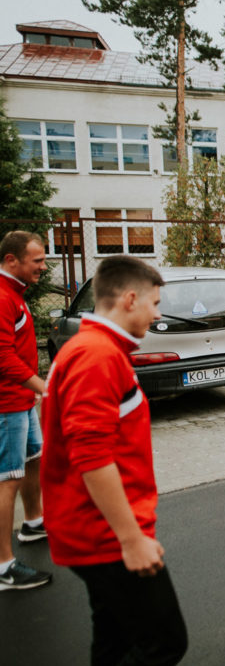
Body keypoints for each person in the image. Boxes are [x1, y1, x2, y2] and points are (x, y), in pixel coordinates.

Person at [41, 255, 188, 663]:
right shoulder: (96, 356)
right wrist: (131, 539)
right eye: (155, 304)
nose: (157, 315)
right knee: (165, 642)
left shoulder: (93, 349)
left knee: (115, 642)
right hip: (104, 536)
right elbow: (90, 455)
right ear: (128, 299)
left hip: (95, 528)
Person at [0, 230, 51, 591]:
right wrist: (44, 388)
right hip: (7, 404)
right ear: (11, 260)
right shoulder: (3, 298)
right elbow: (3, 358)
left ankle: (33, 523)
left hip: (21, 400)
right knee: (8, 479)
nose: (43, 268)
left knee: (35, 457)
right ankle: (4, 565)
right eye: (38, 261)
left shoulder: (15, 294)